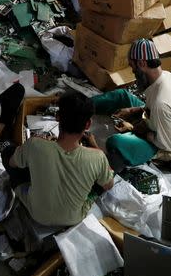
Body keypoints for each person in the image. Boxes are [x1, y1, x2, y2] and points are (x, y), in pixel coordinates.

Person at [6, 92, 114, 227]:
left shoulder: (34, 145)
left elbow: (12, 163)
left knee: (10, 152)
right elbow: (108, 185)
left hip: (38, 215)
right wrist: (95, 147)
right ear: (88, 124)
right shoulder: (98, 157)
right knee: (103, 178)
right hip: (73, 218)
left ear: (57, 117)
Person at [94, 38, 171, 173]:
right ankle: (83, 106)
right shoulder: (165, 76)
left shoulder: (161, 102)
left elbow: (168, 145)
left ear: (142, 63)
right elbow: (152, 107)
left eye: (132, 66)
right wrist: (133, 110)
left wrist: (138, 130)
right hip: (158, 121)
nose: (132, 70)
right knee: (122, 95)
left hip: (168, 147)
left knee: (116, 142)